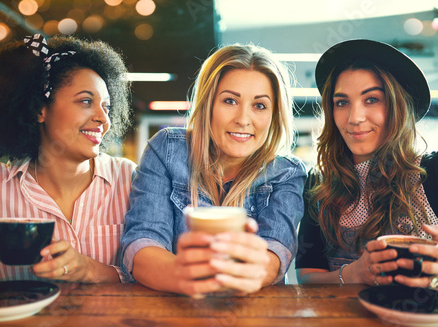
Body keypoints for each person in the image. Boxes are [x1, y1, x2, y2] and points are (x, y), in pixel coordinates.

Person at [121, 44, 306, 297]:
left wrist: (255, 271)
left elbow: (276, 252)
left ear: (274, 115)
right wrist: (182, 276)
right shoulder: (166, 150)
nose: (243, 119)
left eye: (259, 105)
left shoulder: (287, 172)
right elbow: (142, 243)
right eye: (230, 101)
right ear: (208, 103)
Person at [296, 39, 438, 292]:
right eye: (342, 102)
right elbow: (307, 276)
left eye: (372, 100)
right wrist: (354, 272)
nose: (355, 118)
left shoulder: (434, 173)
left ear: (396, 106)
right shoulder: (319, 183)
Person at [0, 34, 136, 283]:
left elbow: (154, 277)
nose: (104, 119)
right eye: (85, 101)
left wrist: (89, 270)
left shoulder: (131, 180)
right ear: (40, 108)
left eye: (107, 106)